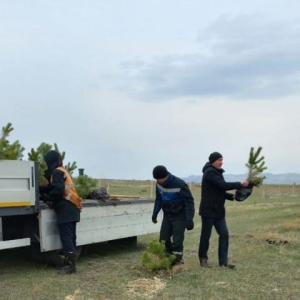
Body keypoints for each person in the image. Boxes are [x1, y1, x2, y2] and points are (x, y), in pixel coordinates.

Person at [198, 152, 249, 269]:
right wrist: (240, 184)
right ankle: (203, 259)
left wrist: (232, 197)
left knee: (224, 234)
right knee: (206, 236)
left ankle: (223, 261)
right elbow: (223, 185)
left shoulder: (217, 172)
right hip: (208, 210)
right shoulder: (209, 172)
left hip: (218, 210)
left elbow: (218, 190)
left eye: (222, 160)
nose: (221, 162)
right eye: (219, 160)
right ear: (213, 161)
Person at [39, 150, 82, 274]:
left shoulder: (56, 172)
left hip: (66, 208)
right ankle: (70, 264)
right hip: (72, 206)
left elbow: (58, 191)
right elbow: (56, 187)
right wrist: (43, 189)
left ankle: (70, 266)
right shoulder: (62, 170)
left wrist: (45, 197)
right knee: (71, 236)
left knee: (67, 237)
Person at [151, 165, 195, 265]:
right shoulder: (158, 184)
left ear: (165, 176)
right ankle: (169, 259)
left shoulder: (180, 184)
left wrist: (189, 219)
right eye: (156, 179)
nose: (158, 181)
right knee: (163, 239)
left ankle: (178, 262)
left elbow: (189, 202)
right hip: (168, 215)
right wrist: (155, 213)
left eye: (159, 179)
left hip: (179, 215)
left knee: (177, 241)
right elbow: (159, 199)